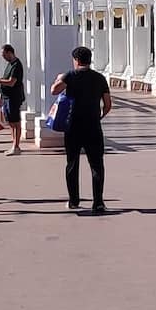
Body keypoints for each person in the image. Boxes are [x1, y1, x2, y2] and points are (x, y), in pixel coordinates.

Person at [51, 46, 111, 212]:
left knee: (72, 163)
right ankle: (98, 202)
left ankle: (73, 200)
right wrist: (99, 117)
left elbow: (54, 90)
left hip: (73, 126)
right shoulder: (100, 78)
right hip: (93, 126)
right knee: (97, 164)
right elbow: (107, 104)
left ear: (76, 60)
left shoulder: (70, 76)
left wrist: (59, 79)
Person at [0, 43, 25, 155]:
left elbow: (11, 82)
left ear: (9, 52)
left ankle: (16, 146)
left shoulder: (16, 65)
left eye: (4, 55)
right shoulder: (10, 64)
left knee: (15, 121)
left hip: (13, 97)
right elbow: (6, 78)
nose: (3, 57)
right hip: (7, 96)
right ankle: (14, 144)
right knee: (11, 122)